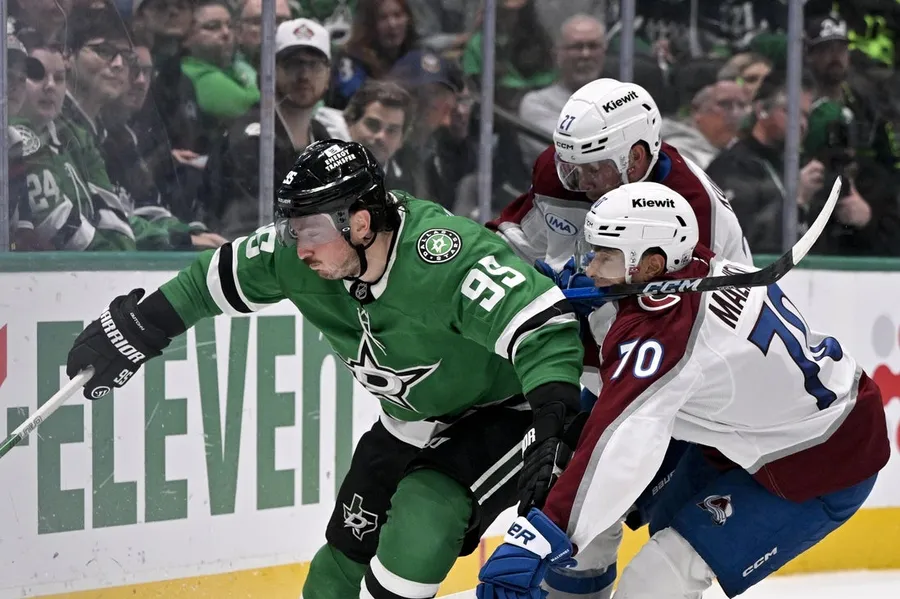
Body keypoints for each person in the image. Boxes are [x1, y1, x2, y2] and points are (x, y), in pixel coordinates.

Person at [64, 140, 586, 599]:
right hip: (409, 421)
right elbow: (208, 284)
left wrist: (551, 423)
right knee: (334, 571)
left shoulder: (444, 257)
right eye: (292, 228)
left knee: (422, 523)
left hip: (503, 410)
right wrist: (138, 329)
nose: (299, 247)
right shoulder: (297, 255)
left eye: (310, 229)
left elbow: (544, 326)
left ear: (360, 222)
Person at [476, 181, 890, 599]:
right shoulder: (694, 265)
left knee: (658, 578)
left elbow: (622, 445)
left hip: (822, 461)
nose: (591, 268)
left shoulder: (667, 336)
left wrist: (543, 536)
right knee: (654, 523)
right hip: (750, 434)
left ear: (652, 265)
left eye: (605, 256)